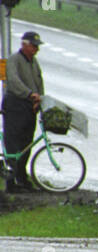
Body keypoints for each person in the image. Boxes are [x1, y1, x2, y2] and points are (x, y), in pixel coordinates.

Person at [3, 31, 44, 189]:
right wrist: (29, 94)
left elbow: (39, 81)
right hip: (15, 105)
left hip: (29, 107)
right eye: (33, 46)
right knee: (13, 143)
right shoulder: (14, 60)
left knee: (27, 142)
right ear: (24, 45)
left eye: (37, 47)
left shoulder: (34, 62)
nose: (36, 49)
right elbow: (14, 81)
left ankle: (22, 177)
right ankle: (11, 180)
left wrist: (39, 99)